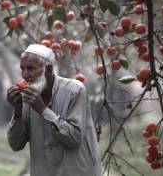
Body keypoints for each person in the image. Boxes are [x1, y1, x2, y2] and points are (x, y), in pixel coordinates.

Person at [6, 44, 102, 176]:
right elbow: (16, 145)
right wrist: (17, 111)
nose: (25, 74)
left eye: (30, 68)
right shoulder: (27, 98)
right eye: (22, 69)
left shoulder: (74, 90)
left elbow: (74, 137)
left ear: (48, 69)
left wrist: (43, 110)